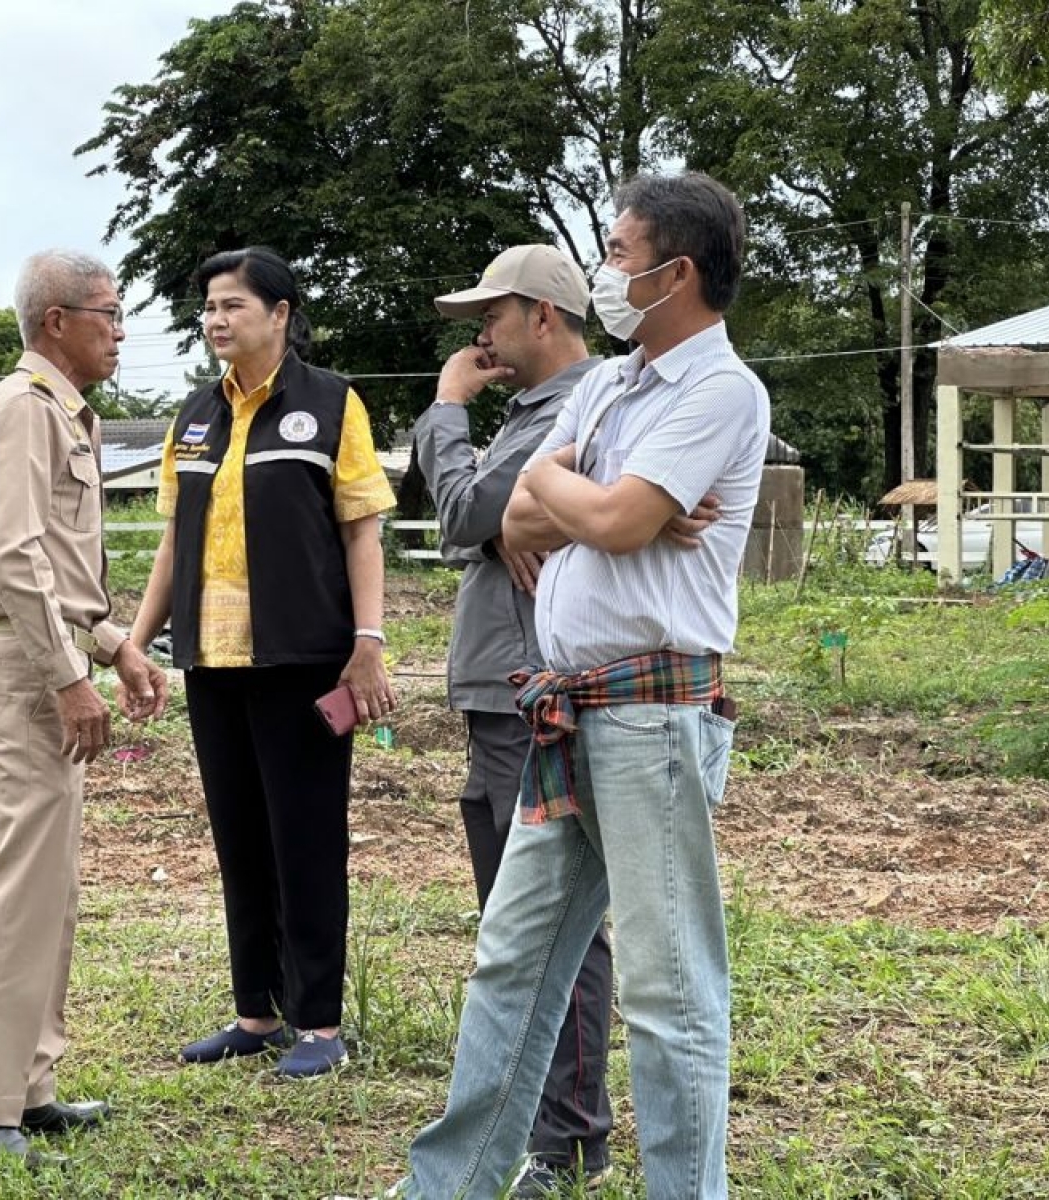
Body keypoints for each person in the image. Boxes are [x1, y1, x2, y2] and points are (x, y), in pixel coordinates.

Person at [395, 172, 770, 1200]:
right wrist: (594, 496)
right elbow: (516, 510)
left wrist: (597, 502)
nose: (608, 271)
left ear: (674, 272)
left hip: (651, 715)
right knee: (509, 963)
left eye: (617, 252)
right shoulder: (609, 385)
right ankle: (451, 1186)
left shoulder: (719, 391)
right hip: (570, 710)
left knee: (666, 986)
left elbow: (604, 524)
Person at [128, 247, 396, 1079]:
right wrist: (139, 640)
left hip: (306, 659)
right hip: (214, 661)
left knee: (307, 841)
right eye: (209, 306)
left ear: (281, 314)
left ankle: (318, 1022)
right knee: (240, 839)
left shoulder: (331, 403)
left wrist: (368, 642)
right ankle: (256, 1014)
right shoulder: (194, 415)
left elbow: (361, 530)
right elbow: (175, 539)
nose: (215, 319)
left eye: (233, 305)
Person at [0, 250, 169, 1163]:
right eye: (108, 313)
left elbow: (65, 576)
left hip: (51, 657)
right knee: (19, 890)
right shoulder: (24, 410)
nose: (119, 329)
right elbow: (19, 557)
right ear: (56, 321)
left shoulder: (67, 414)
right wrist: (72, 675)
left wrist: (115, 648)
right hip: (25, 671)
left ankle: (27, 1087)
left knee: (49, 894)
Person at [412, 244, 615, 1193]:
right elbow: (486, 520)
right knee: (516, 919)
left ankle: (565, 1134)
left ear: (541, 314)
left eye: (489, 317)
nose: (479, 338)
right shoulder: (536, 418)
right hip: (501, 686)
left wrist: (449, 406)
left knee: (546, 923)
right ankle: (546, 1123)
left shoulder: (578, 408)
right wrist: (502, 523)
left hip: (532, 689)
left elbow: (457, 510)